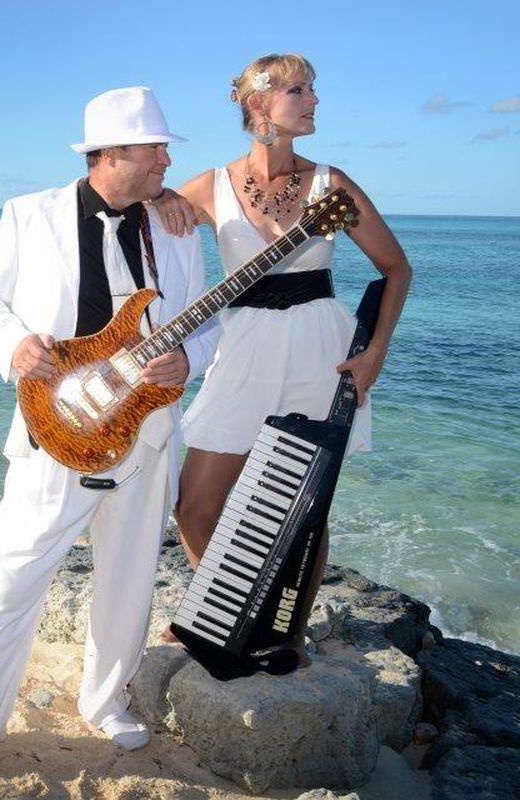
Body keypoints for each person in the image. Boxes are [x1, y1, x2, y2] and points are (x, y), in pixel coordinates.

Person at [0, 86, 219, 783]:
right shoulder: (31, 215)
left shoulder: (174, 226)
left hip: (144, 432)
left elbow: (206, 323)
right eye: (156, 149)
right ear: (112, 154)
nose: (168, 159)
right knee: (11, 579)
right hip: (57, 431)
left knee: (131, 578)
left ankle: (106, 700)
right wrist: (15, 344)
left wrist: (190, 358)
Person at [155, 53, 412, 655]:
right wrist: (163, 195)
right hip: (243, 343)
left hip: (320, 345)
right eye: (299, 90)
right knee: (194, 502)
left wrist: (374, 353)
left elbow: (396, 268)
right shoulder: (211, 185)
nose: (314, 100)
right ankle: (222, 607)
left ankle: (285, 634)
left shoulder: (332, 183)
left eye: (313, 89)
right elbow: (141, 231)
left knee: (304, 502)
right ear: (259, 105)